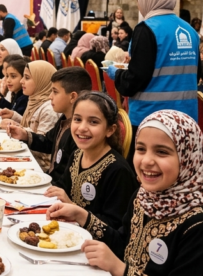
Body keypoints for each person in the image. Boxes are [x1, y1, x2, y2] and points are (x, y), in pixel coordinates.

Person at [46, 110, 203, 276]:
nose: (147, 161)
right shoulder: (144, 197)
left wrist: (120, 270)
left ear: (188, 158)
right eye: (141, 149)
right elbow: (124, 242)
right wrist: (83, 217)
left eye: (162, 152)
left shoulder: (200, 226)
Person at [110, 0, 199, 141]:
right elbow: (195, 74)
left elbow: (134, 80)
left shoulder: (146, 29)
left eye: (138, 0)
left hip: (152, 119)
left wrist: (115, 73)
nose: (138, 5)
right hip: (185, 118)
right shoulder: (190, 30)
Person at [45, 91, 138, 229]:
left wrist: (72, 207)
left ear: (110, 130)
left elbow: (115, 227)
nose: (82, 128)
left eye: (93, 122)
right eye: (77, 119)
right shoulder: (77, 155)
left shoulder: (118, 171)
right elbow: (62, 186)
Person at [8, 67, 89, 191]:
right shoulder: (64, 119)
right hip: (52, 181)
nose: (50, 96)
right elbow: (48, 142)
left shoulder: (78, 133)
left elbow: (68, 177)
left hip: (59, 190)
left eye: (55, 92)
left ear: (72, 97)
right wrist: (24, 135)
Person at [2, 60, 59, 170]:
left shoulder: (49, 109)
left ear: (41, 80)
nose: (22, 81)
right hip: (28, 156)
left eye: (27, 78)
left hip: (38, 166)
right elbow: (33, 124)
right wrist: (14, 116)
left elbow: (42, 145)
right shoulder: (34, 99)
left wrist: (21, 130)